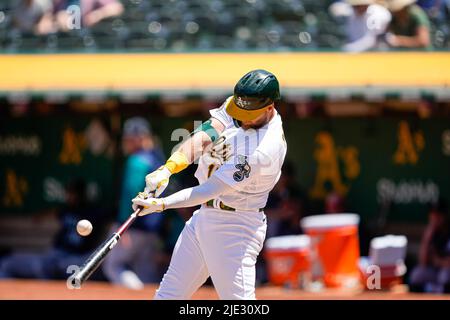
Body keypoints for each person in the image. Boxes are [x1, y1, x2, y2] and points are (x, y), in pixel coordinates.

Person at [132, 69, 287, 300]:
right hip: (204, 219)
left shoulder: (263, 150)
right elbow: (207, 132)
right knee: (168, 296)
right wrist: (169, 168)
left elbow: (209, 190)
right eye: (239, 110)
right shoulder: (241, 105)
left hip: (236, 227)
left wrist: (162, 204)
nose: (242, 118)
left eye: (249, 114)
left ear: (269, 108)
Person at [102, 117, 166, 290]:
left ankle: (136, 294)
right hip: (153, 229)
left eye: (128, 138)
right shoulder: (158, 159)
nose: (126, 142)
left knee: (113, 265)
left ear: (139, 138)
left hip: (135, 226)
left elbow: (131, 194)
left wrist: (124, 226)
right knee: (147, 273)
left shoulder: (137, 161)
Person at [0, 179, 108, 280]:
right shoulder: (66, 210)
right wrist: (40, 216)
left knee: (76, 268)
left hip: (75, 258)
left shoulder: (94, 212)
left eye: (72, 193)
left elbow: (112, 213)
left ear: (80, 194)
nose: (69, 196)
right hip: (57, 254)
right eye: (68, 193)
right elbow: (54, 211)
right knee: (7, 263)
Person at [409, 199, 450, 293]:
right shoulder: (431, 232)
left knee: (444, 276)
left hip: (445, 272)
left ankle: (433, 289)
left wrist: (437, 261)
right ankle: (435, 289)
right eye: (432, 214)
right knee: (416, 275)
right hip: (435, 272)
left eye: (438, 215)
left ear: (445, 215)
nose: (435, 218)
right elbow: (422, 262)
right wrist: (427, 238)